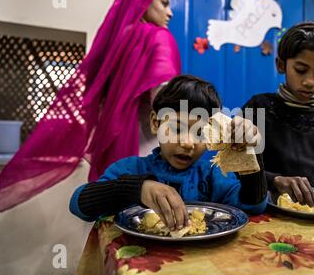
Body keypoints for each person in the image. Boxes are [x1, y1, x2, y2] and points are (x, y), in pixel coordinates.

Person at [0, 0, 181, 212]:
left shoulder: (118, 40)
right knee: (154, 223)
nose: (170, 12)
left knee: (114, 222)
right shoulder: (159, 37)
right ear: (143, 0)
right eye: (164, 3)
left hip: (114, 148)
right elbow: (167, 108)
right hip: (149, 155)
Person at [70, 75, 267, 230]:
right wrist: (136, 188)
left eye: (200, 132)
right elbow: (78, 204)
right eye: (177, 128)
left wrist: (248, 151)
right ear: (156, 123)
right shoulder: (130, 169)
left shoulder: (214, 174)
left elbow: (253, 206)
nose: (189, 143)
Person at [242, 22, 314, 207]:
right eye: (300, 70)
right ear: (281, 65)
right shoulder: (258, 107)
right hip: (267, 209)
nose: (310, 81)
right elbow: (236, 169)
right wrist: (275, 181)